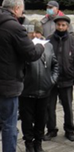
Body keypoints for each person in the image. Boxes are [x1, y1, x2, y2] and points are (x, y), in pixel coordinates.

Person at [0, 0, 44, 152]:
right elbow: (31, 53)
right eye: (22, 9)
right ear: (16, 8)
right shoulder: (14, 27)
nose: (23, 12)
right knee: (9, 126)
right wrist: (40, 46)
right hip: (8, 86)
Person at [19, 20, 59, 152]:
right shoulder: (25, 46)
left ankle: (38, 142)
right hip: (27, 91)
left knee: (41, 119)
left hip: (44, 91)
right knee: (27, 119)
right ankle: (29, 143)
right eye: (33, 32)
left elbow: (55, 65)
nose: (36, 35)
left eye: (38, 32)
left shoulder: (48, 46)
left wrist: (51, 81)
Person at [44, 15, 74, 142]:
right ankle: (51, 129)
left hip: (67, 80)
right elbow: (44, 60)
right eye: (58, 25)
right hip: (52, 81)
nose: (60, 27)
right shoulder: (49, 40)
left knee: (68, 107)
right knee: (50, 107)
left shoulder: (72, 41)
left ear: (67, 26)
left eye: (63, 25)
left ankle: (69, 130)